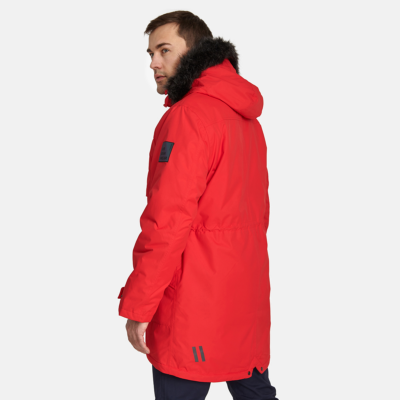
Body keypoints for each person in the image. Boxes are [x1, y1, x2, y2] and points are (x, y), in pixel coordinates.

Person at [117, 10, 278, 400]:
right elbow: (259, 214)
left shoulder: (188, 116)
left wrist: (139, 305)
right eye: (150, 53)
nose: (153, 63)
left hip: (194, 304)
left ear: (193, 51)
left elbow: (167, 221)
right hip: (246, 300)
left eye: (164, 50)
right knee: (255, 390)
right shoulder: (245, 117)